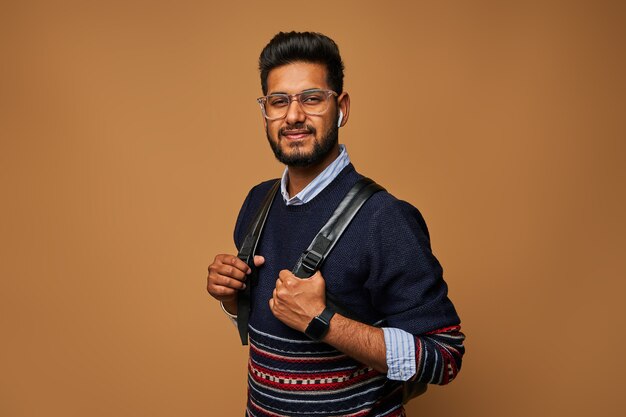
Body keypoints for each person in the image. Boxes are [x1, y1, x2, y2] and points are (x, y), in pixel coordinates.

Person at [207, 31, 465, 417]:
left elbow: (444, 358)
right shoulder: (257, 202)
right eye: (279, 102)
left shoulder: (385, 219)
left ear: (341, 107)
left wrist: (323, 322)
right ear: (266, 112)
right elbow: (272, 336)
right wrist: (233, 299)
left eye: (311, 99)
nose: (293, 116)